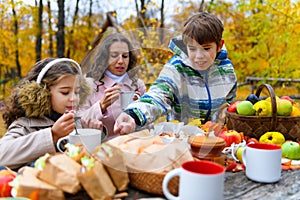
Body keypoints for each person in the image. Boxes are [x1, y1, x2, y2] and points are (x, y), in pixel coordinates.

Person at [114, 12, 237, 135]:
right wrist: (133, 115)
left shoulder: (227, 71)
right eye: (192, 49)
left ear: (219, 45)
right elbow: (158, 96)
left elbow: (229, 104)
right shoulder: (176, 68)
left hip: (215, 140)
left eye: (206, 48)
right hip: (181, 140)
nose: (199, 56)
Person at [0, 58, 103, 170]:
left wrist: (92, 134)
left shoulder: (77, 121)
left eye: (77, 92)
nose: (74, 98)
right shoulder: (26, 125)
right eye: (65, 92)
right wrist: (52, 135)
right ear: (42, 94)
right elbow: (2, 155)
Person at [80, 33, 146, 139]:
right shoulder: (89, 84)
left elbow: (149, 126)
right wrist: (101, 106)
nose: (120, 61)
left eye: (125, 56)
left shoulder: (137, 85)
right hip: (101, 149)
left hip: (133, 146)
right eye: (114, 56)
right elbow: (78, 122)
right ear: (105, 57)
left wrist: (136, 113)